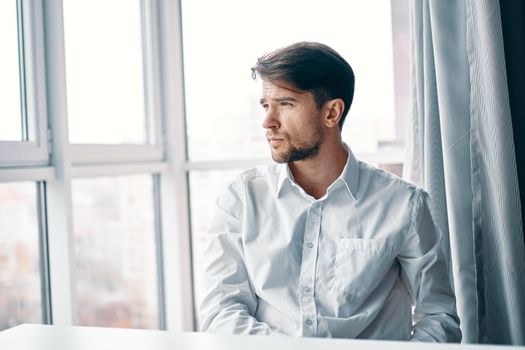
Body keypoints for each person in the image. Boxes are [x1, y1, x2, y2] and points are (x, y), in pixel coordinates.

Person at [198, 41, 461, 342]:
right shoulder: (241, 199)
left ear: (332, 113)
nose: (268, 122)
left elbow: (439, 316)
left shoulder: (404, 205)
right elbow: (221, 312)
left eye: (285, 104)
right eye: (265, 106)